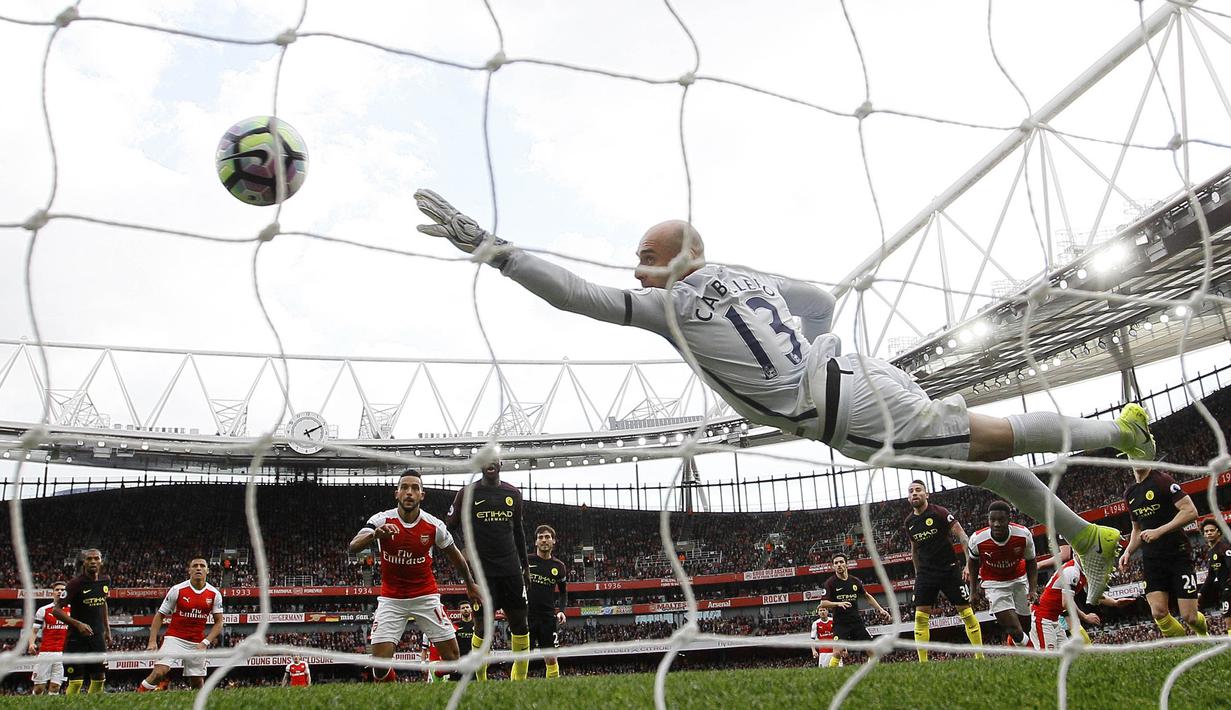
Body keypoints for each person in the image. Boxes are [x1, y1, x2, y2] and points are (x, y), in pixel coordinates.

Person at [413, 190, 1152, 602]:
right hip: (854, 376)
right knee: (980, 467)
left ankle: (1116, 434)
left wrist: (492, 250)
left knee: (989, 440)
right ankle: (1090, 540)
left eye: (645, 259)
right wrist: (819, 357)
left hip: (841, 411)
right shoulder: (750, 278)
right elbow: (820, 301)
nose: (635, 272)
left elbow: (574, 295)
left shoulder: (671, 305)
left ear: (680, 258)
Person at [348, 470, 481, 683]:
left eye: (415, 488)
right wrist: (376, 534)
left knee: (453, 658)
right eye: (404, 488)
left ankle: (433, 671)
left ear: (422, 495)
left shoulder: (433, 525)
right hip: (392, 599)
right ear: (397, 493)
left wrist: (470, 584)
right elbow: (354, 546)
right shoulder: (381, 519)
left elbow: (456, 556)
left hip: (425, 596)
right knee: (379, 668)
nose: (409, 492)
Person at [446, 460, 531, 681]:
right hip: (482, 575)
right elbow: (450, 527)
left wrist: (526, 567)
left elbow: (519, 531)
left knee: (520, 625)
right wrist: (463, 550)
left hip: (511, 571)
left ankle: (519, 682)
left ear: (500, 463)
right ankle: (481, 680)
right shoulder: (467, 493)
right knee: (483, 629)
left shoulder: (513, 493)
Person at [1119, 466, 1207, 637]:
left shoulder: (1163, 481)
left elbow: (1190, 511)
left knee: (1190, 617)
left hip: (1177, 554)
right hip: (1152, 558)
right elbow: (1137, 529)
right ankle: (1184, 649)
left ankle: (1205, 637)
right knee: (1158, 612)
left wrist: (1159, 531)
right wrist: (1128, 551)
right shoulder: (1130, 493)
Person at [904, 480, 981, 661]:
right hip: (925, 574)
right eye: (911, 491)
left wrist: (969, 564)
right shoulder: (909, 522)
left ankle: (980, 656)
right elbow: (914, 550)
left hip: (949, 570)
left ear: (927, 494)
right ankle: (923, 663)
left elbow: (962, 536)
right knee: (920, 619)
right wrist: (918, 575)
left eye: (918, 490)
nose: (914, 493)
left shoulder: (939, 513)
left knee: (967, 614)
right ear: (908, 497)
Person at [138, 558, 223, 691]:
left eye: (202, 566)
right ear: (189, 570)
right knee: (159, 672)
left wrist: (205, 642)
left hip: (197, 643)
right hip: (174, 639)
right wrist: (152, 641)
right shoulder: (177, 590)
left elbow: (219, 622)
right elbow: (159, 615)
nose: (198, 568)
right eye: (195, 566)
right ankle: (138, 697)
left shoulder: (214, 594)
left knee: (197, 682)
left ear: (207, 570)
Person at [967, 500, 1037, 646]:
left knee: (1024, 628)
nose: (996, 524)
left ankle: (1017, 650)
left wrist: (1032, 589)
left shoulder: (1023, 535)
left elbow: (1031, 561)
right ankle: (1034, 655)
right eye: (992, 520)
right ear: (988, 520)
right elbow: (973, 563)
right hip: (994, 584)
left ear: (1009, 520)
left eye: (1001, 520)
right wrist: (973, 591)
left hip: (1019, 579)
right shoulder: (977, 539)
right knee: (1012, 627)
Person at [1030, 557, 1131, 650]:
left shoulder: (1082, 572)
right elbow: (1067, 603)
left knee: (1063, 656)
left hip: (1054, 619)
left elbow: (1095, 594)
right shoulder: (1072, 571)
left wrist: (1115, 602)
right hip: (1042, 618)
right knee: (1048, 659)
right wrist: (1085, 617)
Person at [55, 548, 110, 694]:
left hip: (97, 637)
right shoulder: (75, 584)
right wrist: (78, 624)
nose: (93, 561)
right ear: (83, 562)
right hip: (77, 640)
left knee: (99, 678)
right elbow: (57, 610)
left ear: (101, 561)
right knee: (76, 681)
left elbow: (103, 602)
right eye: (89, 559)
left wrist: (107, 630)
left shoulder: (106, 580)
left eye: (96, 558)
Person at [819, 552, 890, 665]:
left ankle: (873, 672)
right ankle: (831, 677)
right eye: (836, 563)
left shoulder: (855, 581)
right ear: (833, 566)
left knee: (871, 650)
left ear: (846, 564)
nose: (839, 565)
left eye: (841, 562)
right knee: (837, 652)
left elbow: (867, 596)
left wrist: (880, 609)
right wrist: (838, 604)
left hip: (856, 622)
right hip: (840, 623)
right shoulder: (830, 583)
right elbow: (823, 603)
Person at [527, 524, 569, 678]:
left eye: (547, 537)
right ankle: (517, 689)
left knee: (551, 657)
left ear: (553, 541)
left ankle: (554, 691)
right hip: (526, 616)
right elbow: (514, 583)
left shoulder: (559, 566)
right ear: (536, 542)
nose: (544, 540)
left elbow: (563, 592)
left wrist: (562, 610)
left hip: (547, 617)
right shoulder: (526, 561)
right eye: (540, 537)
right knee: (522, 658)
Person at [29, 581, 69, 695]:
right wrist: (31, 643)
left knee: (56, 687)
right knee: (39, 688)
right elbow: (34, 630)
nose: (60, 592)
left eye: (62, 590)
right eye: (57, 590)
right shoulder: (44, 610)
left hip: (63, 654)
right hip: (46, 652)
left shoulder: (72, 610)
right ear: (52, 593)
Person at [1198, 519, 1230, 635]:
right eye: (1206, 531)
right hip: (1224, 590)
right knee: (1228, 620)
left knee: (1228, 620)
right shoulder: (1211, 552)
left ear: (1219, 532)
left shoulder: (1225, 548)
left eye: (1212, 530)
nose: (1209, 533)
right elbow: (1211, 576)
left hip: (1229, 589)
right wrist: (1201, 593)